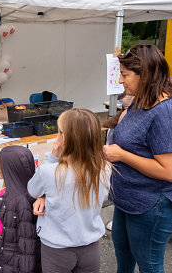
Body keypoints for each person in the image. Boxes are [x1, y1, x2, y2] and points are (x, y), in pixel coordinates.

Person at [103, 44, 172, 273]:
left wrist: (121, 155)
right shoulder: (139, 100)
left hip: (153, 205)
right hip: (129, 200)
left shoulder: (166, 113)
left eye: (125, 75)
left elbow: (170, 171)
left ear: (144, 75)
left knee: (150, 266)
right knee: (123, 259)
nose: (121, 80)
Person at [28, 109, 111, 273]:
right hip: (90, 246)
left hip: (57, 249)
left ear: (63, 138)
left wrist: (52, 157)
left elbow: (32, 190)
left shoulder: (49, 172)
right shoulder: (104, 168)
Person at [0, 146, 42, 273]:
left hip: (12, 260)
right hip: (36, 254)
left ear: (5, 172)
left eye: (0, 168)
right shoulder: (39, 193)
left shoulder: (4, 197)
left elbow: (0, 227)